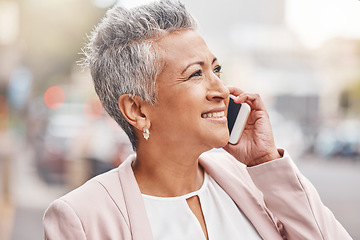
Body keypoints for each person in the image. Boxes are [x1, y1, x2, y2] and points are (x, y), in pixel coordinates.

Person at [43, 1, 352, 239]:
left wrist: (265, 162)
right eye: (195, 74)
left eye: (216, 70)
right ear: (137, 110)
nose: (220, 88)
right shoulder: (82, 218)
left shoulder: (255, 180)